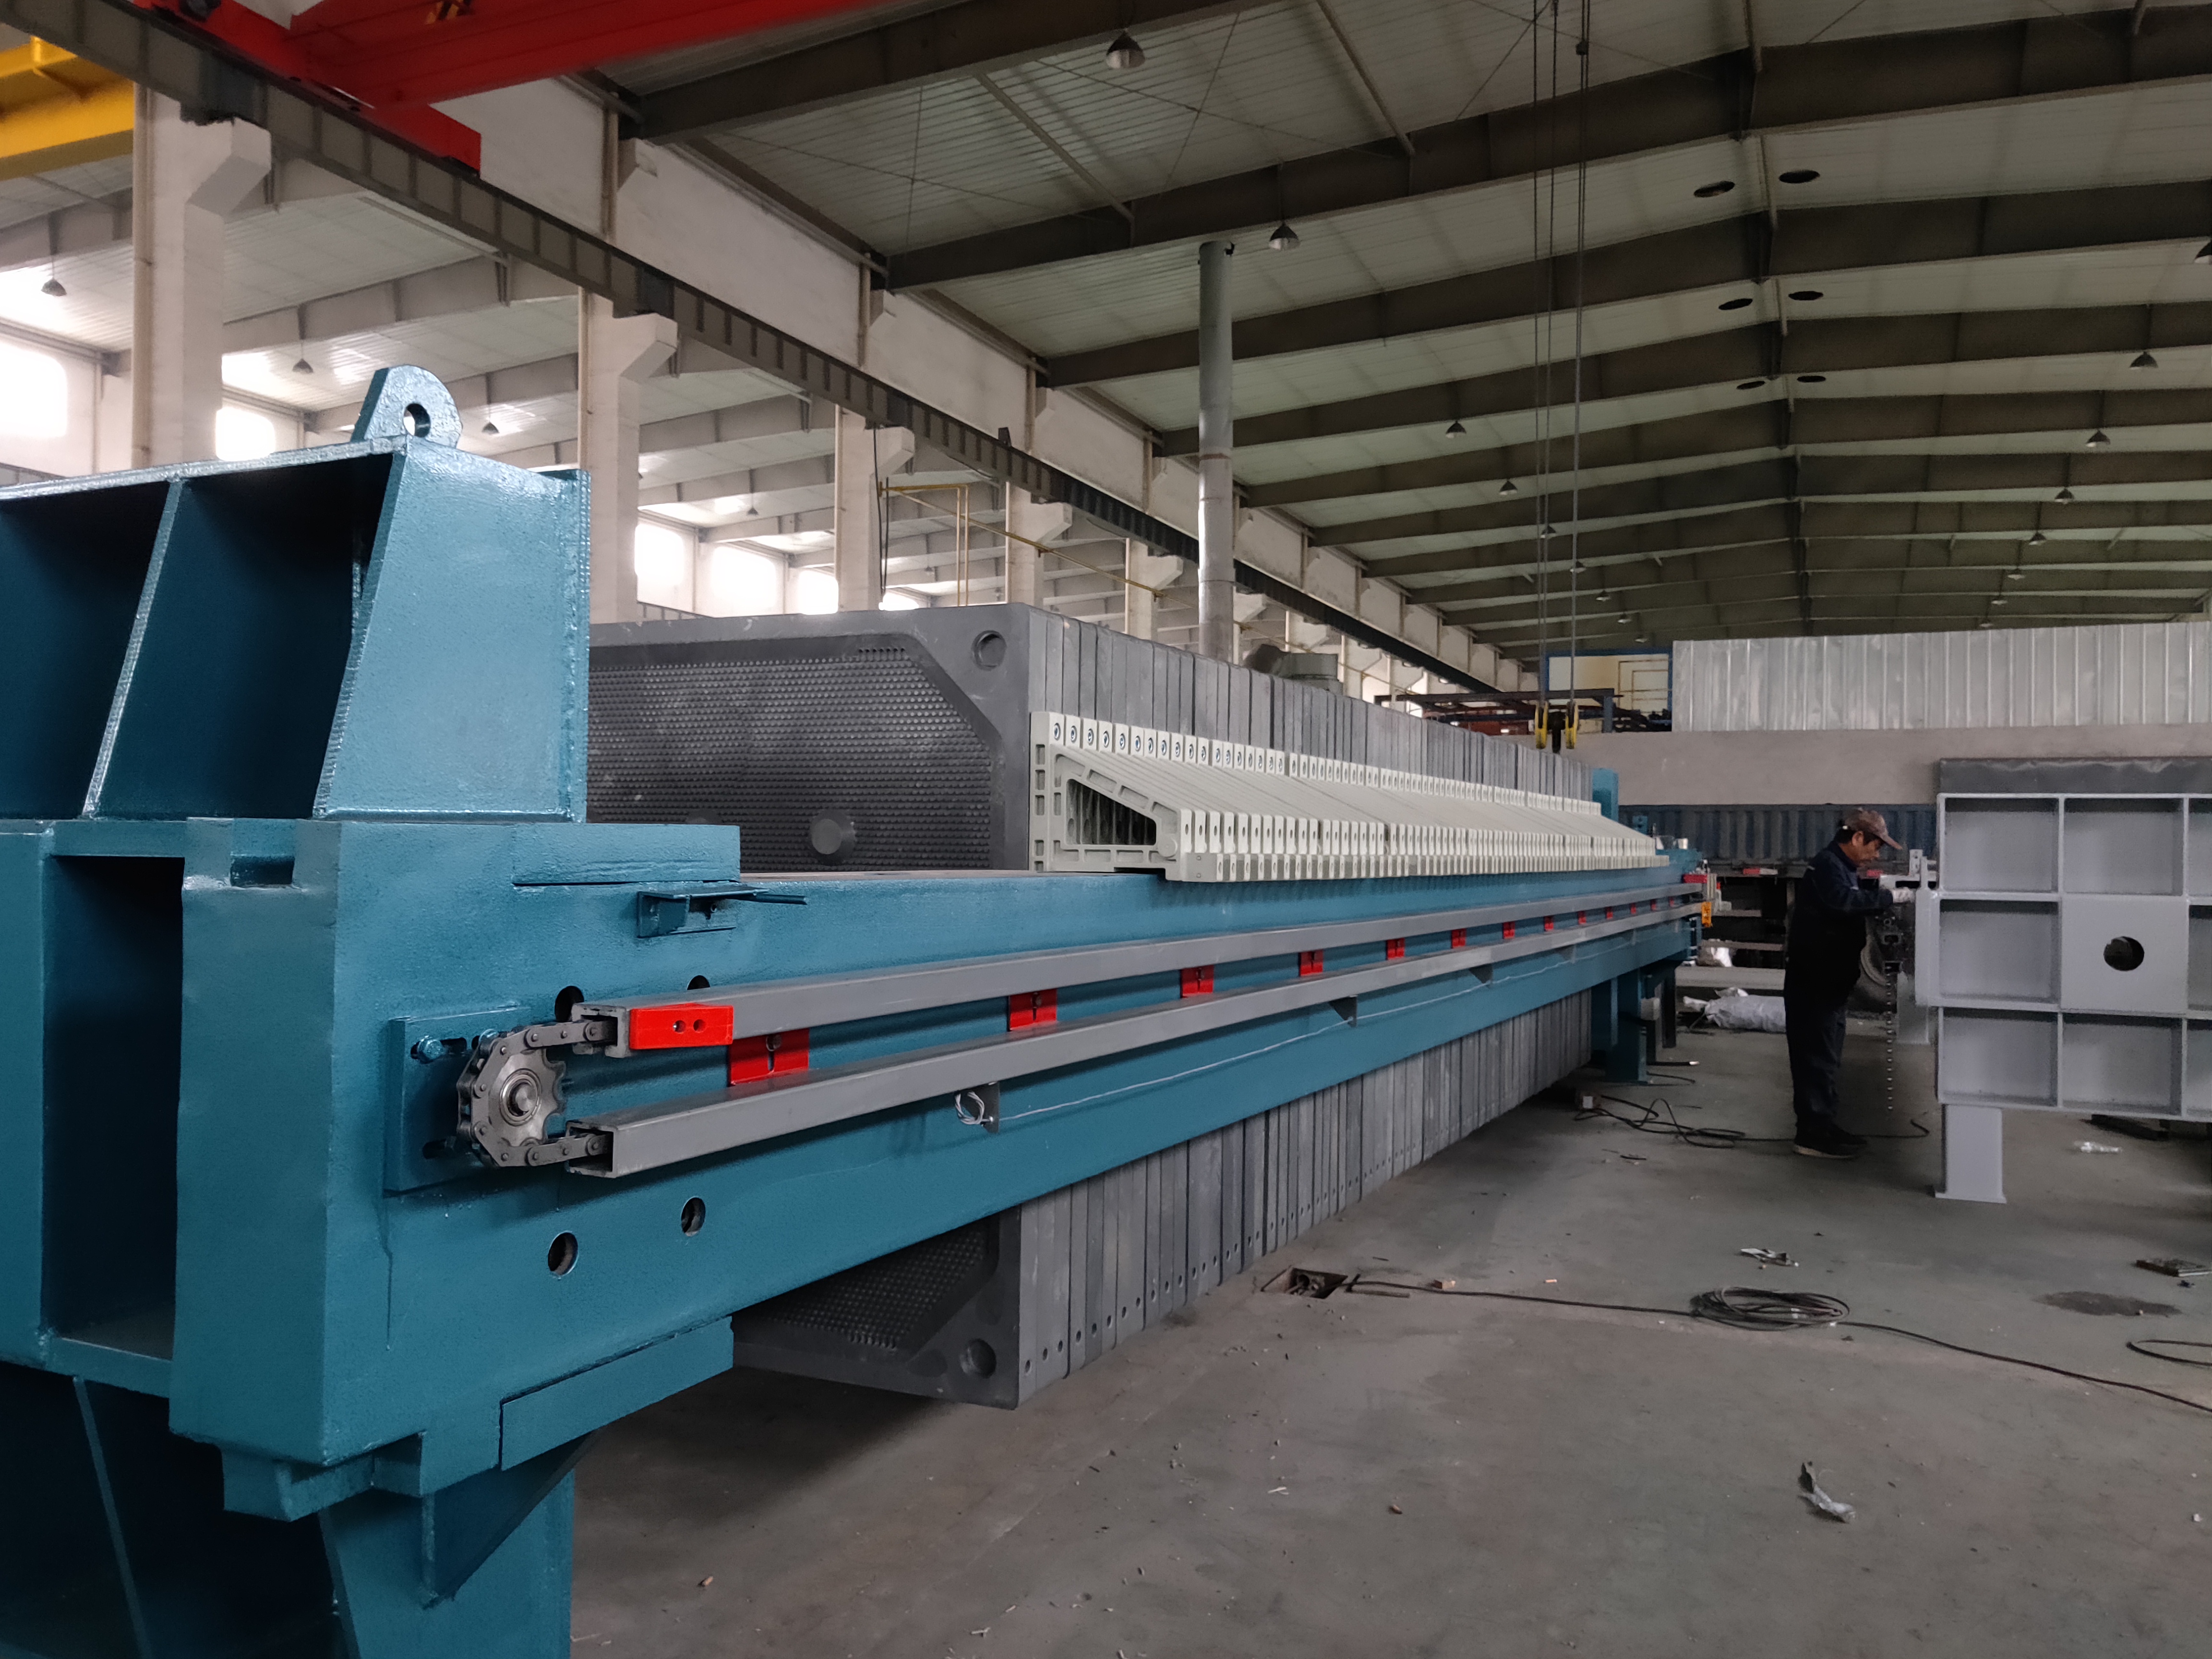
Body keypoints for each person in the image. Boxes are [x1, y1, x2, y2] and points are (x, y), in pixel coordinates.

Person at [1784, 808, 1902, 1159]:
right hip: (1815, 983)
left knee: (1828, 1058)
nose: (1876, 855)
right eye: (1875, 846)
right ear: (1857, 837)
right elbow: (1842, 901)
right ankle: (1812, 1135)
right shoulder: (1827, 867)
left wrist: (1880, 890)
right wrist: (1891, 898)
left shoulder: (1841, 868)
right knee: (1816, 1058)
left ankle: (1824, 1123)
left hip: (1830, 983)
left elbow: (1850, 893)